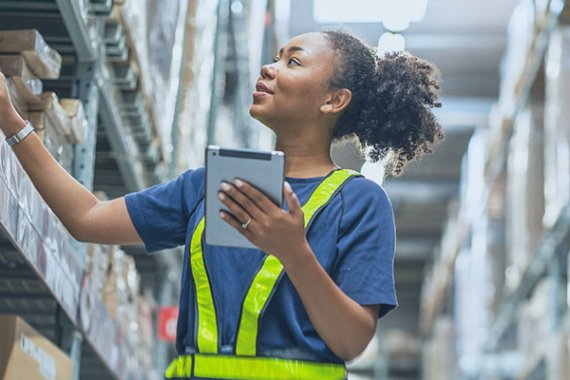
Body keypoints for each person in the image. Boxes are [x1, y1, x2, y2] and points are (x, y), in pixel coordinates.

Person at [0, 30, 443, 379]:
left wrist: (294, 251)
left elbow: (350, 340)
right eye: (274, 56)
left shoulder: (360, 202)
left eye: (293, 61)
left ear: (333, 100)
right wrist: (11, 119)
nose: (268, 69)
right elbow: (87, 219)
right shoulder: (211, 185)